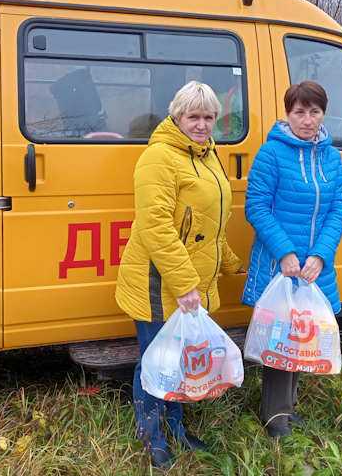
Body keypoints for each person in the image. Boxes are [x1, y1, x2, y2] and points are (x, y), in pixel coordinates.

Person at [115, 80, 244, 468]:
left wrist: (232, 263)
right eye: (194, 116)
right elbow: (156, 227)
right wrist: (185, 284)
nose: (202, 124)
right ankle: (151, 436)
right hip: (159, 283)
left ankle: (177, 427)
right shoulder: (159, 157)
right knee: (156, 361)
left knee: (182, 363)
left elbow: (210, 224)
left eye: (208, 117)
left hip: (190, 285)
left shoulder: (206, 155)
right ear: (177, 116)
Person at [242, 80, 342, 438]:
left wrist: (321, 255)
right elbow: (256, 207)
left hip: (314, 268)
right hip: (279, 265)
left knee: (303, 336)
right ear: (288, 114)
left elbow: (337, 209)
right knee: (280, 341)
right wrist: (285, 252)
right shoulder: (271, 154)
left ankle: (288, 408)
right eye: (299, 111)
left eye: (314, 111)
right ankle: (275, 419)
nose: (307, 119)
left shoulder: (332, 156)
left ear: (322, 114)